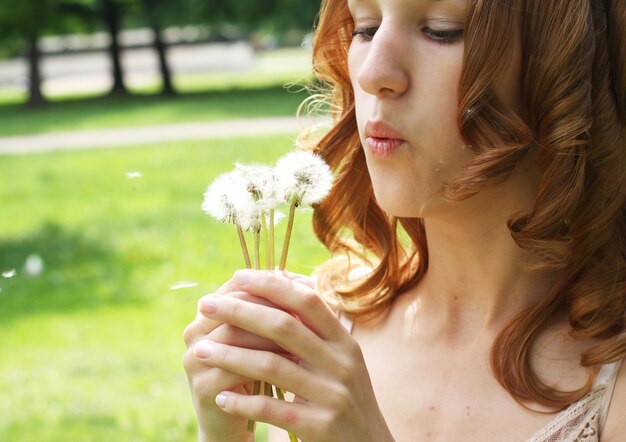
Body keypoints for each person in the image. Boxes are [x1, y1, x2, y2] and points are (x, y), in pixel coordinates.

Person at [183, 0, 626, 440]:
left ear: (563, 67)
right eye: (366, 27)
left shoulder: (613, 386)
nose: (373, 73)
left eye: (441, 29)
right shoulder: (320, 335)